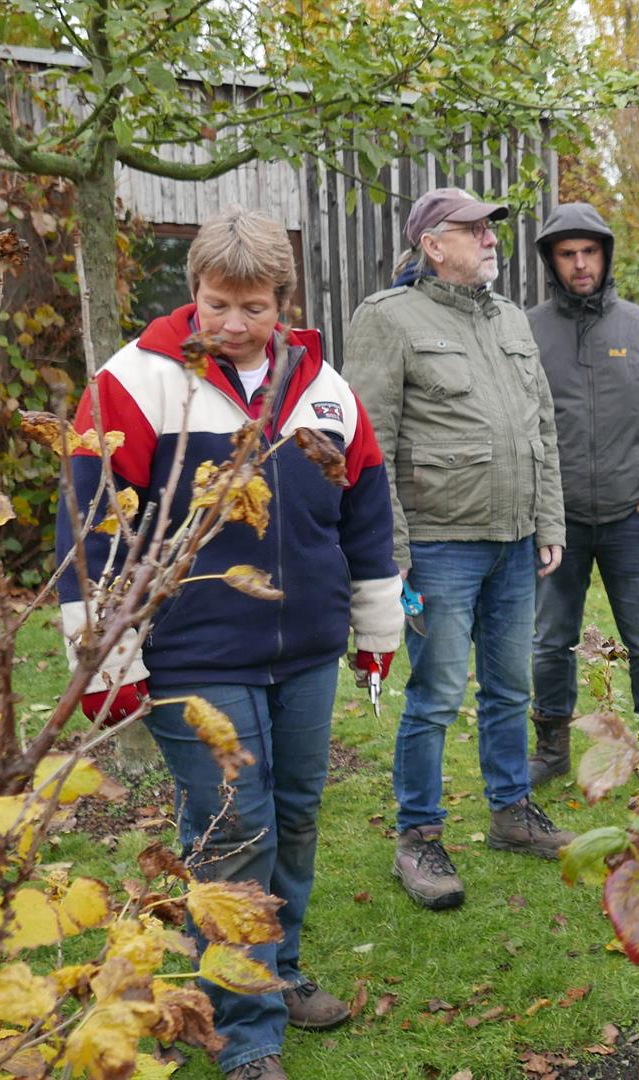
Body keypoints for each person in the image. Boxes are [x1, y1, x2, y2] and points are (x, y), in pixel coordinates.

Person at [59, 208, 401, 1080]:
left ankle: (274, 971)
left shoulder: (323, 387)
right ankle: (244, 1034)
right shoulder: (130, 386)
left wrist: (374, 624)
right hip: (193, 649)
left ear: (283, 301)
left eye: (255, 307)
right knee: (231, 830)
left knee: (293, 815)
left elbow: (363, 513)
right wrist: (106, 656)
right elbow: (92, 529)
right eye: (219, 304)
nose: (236, 325)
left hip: (307, 646)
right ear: (194, 293)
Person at [341, 187, 574, 913]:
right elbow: (366, 442)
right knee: (437, 695)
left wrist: (550, 521)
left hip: (513, 540)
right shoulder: (387, 319)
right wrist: (392, 548)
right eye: (473, 230)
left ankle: (511, 813)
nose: (490, 239)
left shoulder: (508, 317)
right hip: (439, 545)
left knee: (510, 688)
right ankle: (418, 837)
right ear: (431, 244)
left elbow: (541, 429)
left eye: (490, 229)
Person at [525, 203, 639, 786]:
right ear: (552, 261)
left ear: (605, 254)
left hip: (633, 518)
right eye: (568, 254)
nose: (580, 264)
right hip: (557, 522)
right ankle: (550, 746)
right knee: (551, 640)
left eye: (590, 252)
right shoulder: (527, 332)